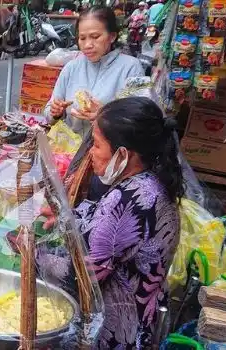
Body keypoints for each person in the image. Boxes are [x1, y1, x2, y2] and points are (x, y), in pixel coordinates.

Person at [72, 96, 182, 349]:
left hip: (118, 332)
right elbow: (105, 228)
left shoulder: (128, 198)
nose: (91, 152)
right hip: (143, 318)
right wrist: (66, 218)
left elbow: (84, 273)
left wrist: (31, 252)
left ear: (123, 154)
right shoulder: (152, 180)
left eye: (96, 145)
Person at [45, 6, 145, 135]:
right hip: (71, 146)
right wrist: (56, 113)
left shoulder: (131, 68)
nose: (87, 45)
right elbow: (49, 113)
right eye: (82, 38)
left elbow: (141, 121)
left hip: (109, 147)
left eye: (95, 36)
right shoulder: (71, 68)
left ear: (112, 36)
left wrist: (106, 117)